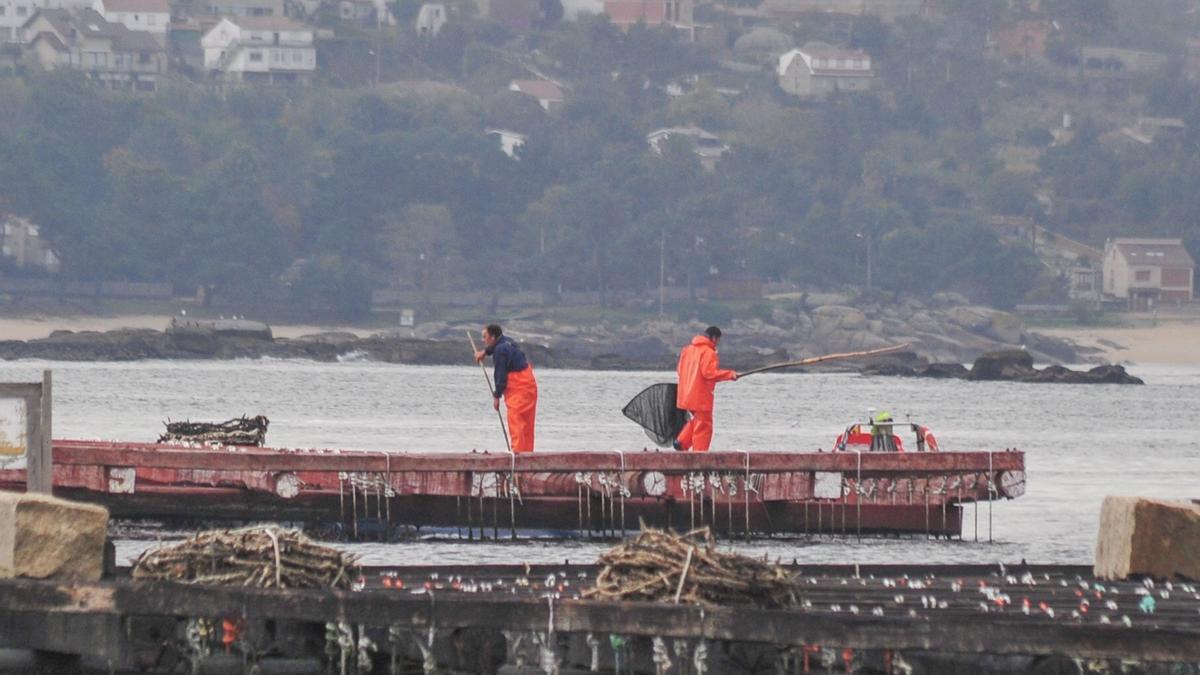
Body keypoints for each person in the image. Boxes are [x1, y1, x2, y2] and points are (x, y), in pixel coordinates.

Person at [474, 324, 538, 453]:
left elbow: (500, 375)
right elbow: (499, 346)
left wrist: (496, 396)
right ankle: (527, 456)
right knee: (527, 424)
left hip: (519, 387)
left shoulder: (500, 351)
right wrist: (485, 352)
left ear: (492, 337)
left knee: (516, 421)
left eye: (485, 337)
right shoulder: (508, 341)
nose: (483, 340)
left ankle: (517, 457)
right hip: (530, 385)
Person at [674, 326, 738, 452]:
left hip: (686, 395)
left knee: (698, 420)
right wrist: (730, 375)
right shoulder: (708, 352)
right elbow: (709, 373)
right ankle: (700, 455)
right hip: (700, 396)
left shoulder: (687, 350)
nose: (717, 344)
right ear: (714, 338)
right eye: (718, 341)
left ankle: (681, 442)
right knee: (704, 425)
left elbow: (679, 371)